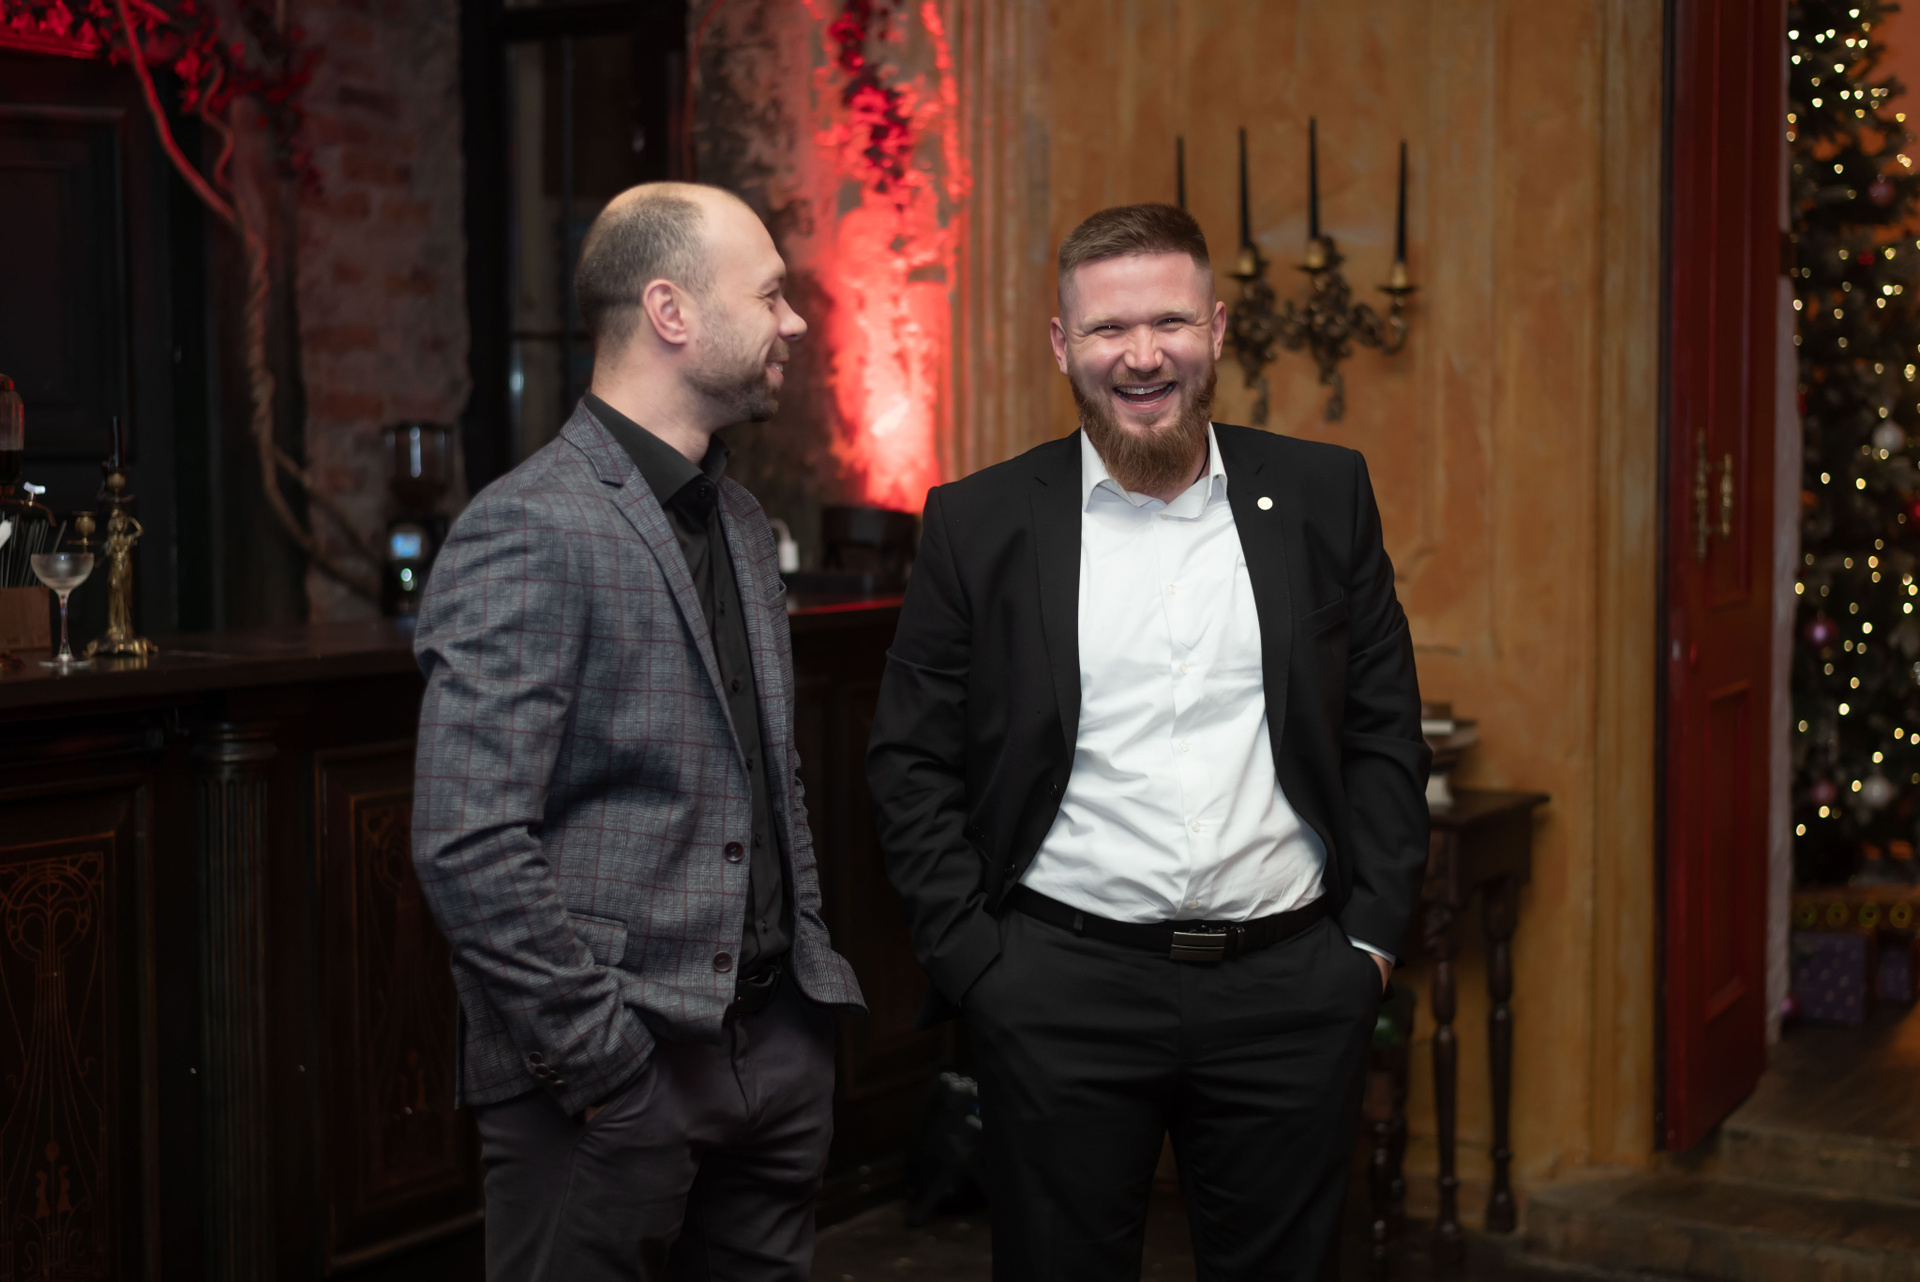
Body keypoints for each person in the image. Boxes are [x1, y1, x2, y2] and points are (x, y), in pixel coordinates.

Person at [867, 203, 1429, 1279]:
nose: (1141, 355)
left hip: (1289, 992)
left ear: (1216, 329)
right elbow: (909, 760)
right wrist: (980, 966)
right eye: (1108, 328)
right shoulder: (978, 523)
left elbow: (1382, 727)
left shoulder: (1325, 494)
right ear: (1061, 344)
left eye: (1169, 320)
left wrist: (1366, 944)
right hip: (1059, 993)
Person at [412, 181, 864, 1281]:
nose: (795, 322)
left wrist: (803, 1013)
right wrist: (603, 1063)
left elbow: (771, 777)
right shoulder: (527, 523)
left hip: (774, 1054)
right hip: (618, 1081)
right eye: (769, 295)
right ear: (671, 311)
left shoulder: (739, 519)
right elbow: (467, 842)